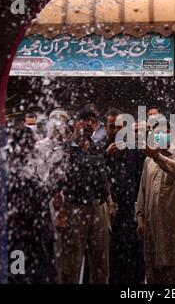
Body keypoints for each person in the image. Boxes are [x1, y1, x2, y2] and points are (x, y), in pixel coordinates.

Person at [56, 108, 115, 284]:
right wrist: (61, 214)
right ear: (76, 123)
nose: (89, 123)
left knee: (101, 263)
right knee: (71, 264)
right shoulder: (65, 149)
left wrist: (110, 203)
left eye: (92, 120)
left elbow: (103, 178)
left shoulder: (98, 148)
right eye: (84, 120)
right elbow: (57, 184)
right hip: (74, 209)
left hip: (99, 209)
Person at [136, 123, 175, 284]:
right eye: (157, 132)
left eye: (165, 132)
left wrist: (157, 157)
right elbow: (143, 191)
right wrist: (140, 219)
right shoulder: (148, 161)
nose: (161, 135)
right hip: (152, 229)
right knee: (153, 273)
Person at [7, 121, 56, 283]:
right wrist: (56, 179)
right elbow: (38, 195)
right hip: (23, 241)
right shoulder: (17, 172)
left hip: (28, 240)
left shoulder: (19, 167)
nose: (34, 149)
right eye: (31, 144)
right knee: (21, 277)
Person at [104, 108, 146, 284]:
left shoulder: (135, 150)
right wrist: (106, 156)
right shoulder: (100, 150)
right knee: (111, 259)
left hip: (130, 212)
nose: (115, 130)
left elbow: (141, 182)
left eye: (119, 127)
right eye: (111, 126)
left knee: (134, 257)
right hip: (109, 214)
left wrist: (140, 212)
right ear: (105, 127)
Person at [35, 109, 70, 283]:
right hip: (47, 206)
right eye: (54, 122)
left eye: (61, 123)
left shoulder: (70, 147)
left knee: (68, 255)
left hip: (69, 204)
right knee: (50, 252)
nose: (57, 126)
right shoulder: (40, 146)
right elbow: (41, 178)